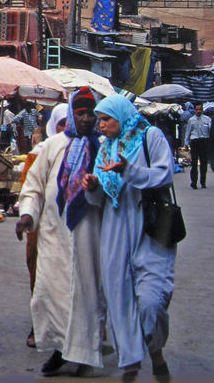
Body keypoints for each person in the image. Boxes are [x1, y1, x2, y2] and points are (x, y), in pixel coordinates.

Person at [82, 95, 176, 383]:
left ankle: (155, 347)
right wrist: (94, 185)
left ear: (121, 117)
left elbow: (165, 174)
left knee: (151, 300)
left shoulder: (151, 137)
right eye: (99, 120)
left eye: (105, 119)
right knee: (118, 295)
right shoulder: (106, 149)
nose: (100, 126)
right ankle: (130, 360)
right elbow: (99, 197)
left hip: (149, 225)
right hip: (116, 224)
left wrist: (129, 170)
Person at [15, 88, 105, 377]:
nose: (87, 119)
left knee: (86, 293)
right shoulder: (52, 145)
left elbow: (114, 189)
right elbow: (34, 185)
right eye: (80, 113)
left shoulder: (103, 147)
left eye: (91, 113)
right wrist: (28, 213)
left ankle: (83, 353)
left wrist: (97, 188)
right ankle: (59, 350)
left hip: (89, 232)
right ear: (71, 114)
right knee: (51, 293)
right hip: (53, 233)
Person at [20, 102, 68, 348]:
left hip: (74, 227)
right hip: (43, 226)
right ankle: (39, 324)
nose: (65, 128)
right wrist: (28, 213)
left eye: (69, 122)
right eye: (61, 123)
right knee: (41, 275)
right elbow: (30, 186)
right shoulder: (40, 150)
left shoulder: (88, 147)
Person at [183, 102, 211, 189]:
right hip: (195, 142)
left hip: (204, 142)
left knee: (203, 163)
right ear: (195, 110)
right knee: (194, 163)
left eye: (200, 109)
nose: (198, 111)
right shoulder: (191, 120)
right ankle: (194, 183)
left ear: (202, 110)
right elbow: (187, 133)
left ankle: (203, 182)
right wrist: (186, 144)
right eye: (197, 109)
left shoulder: (207, 119)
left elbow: (210, 131)